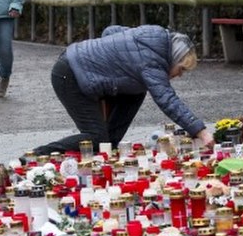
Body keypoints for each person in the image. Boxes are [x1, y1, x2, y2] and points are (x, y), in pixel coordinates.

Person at [33, 25, 215, 155]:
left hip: (75, 66)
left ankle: (108, 149)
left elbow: (111, 31)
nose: (180, 75)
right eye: (181, 69)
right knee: (96, 138)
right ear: (173, 59)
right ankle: (37, 155)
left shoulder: (153, 38)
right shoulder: (152, 59)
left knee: (136, 90)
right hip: (69, 76)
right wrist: (202, 132)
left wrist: (105, 63)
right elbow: (167, 99)